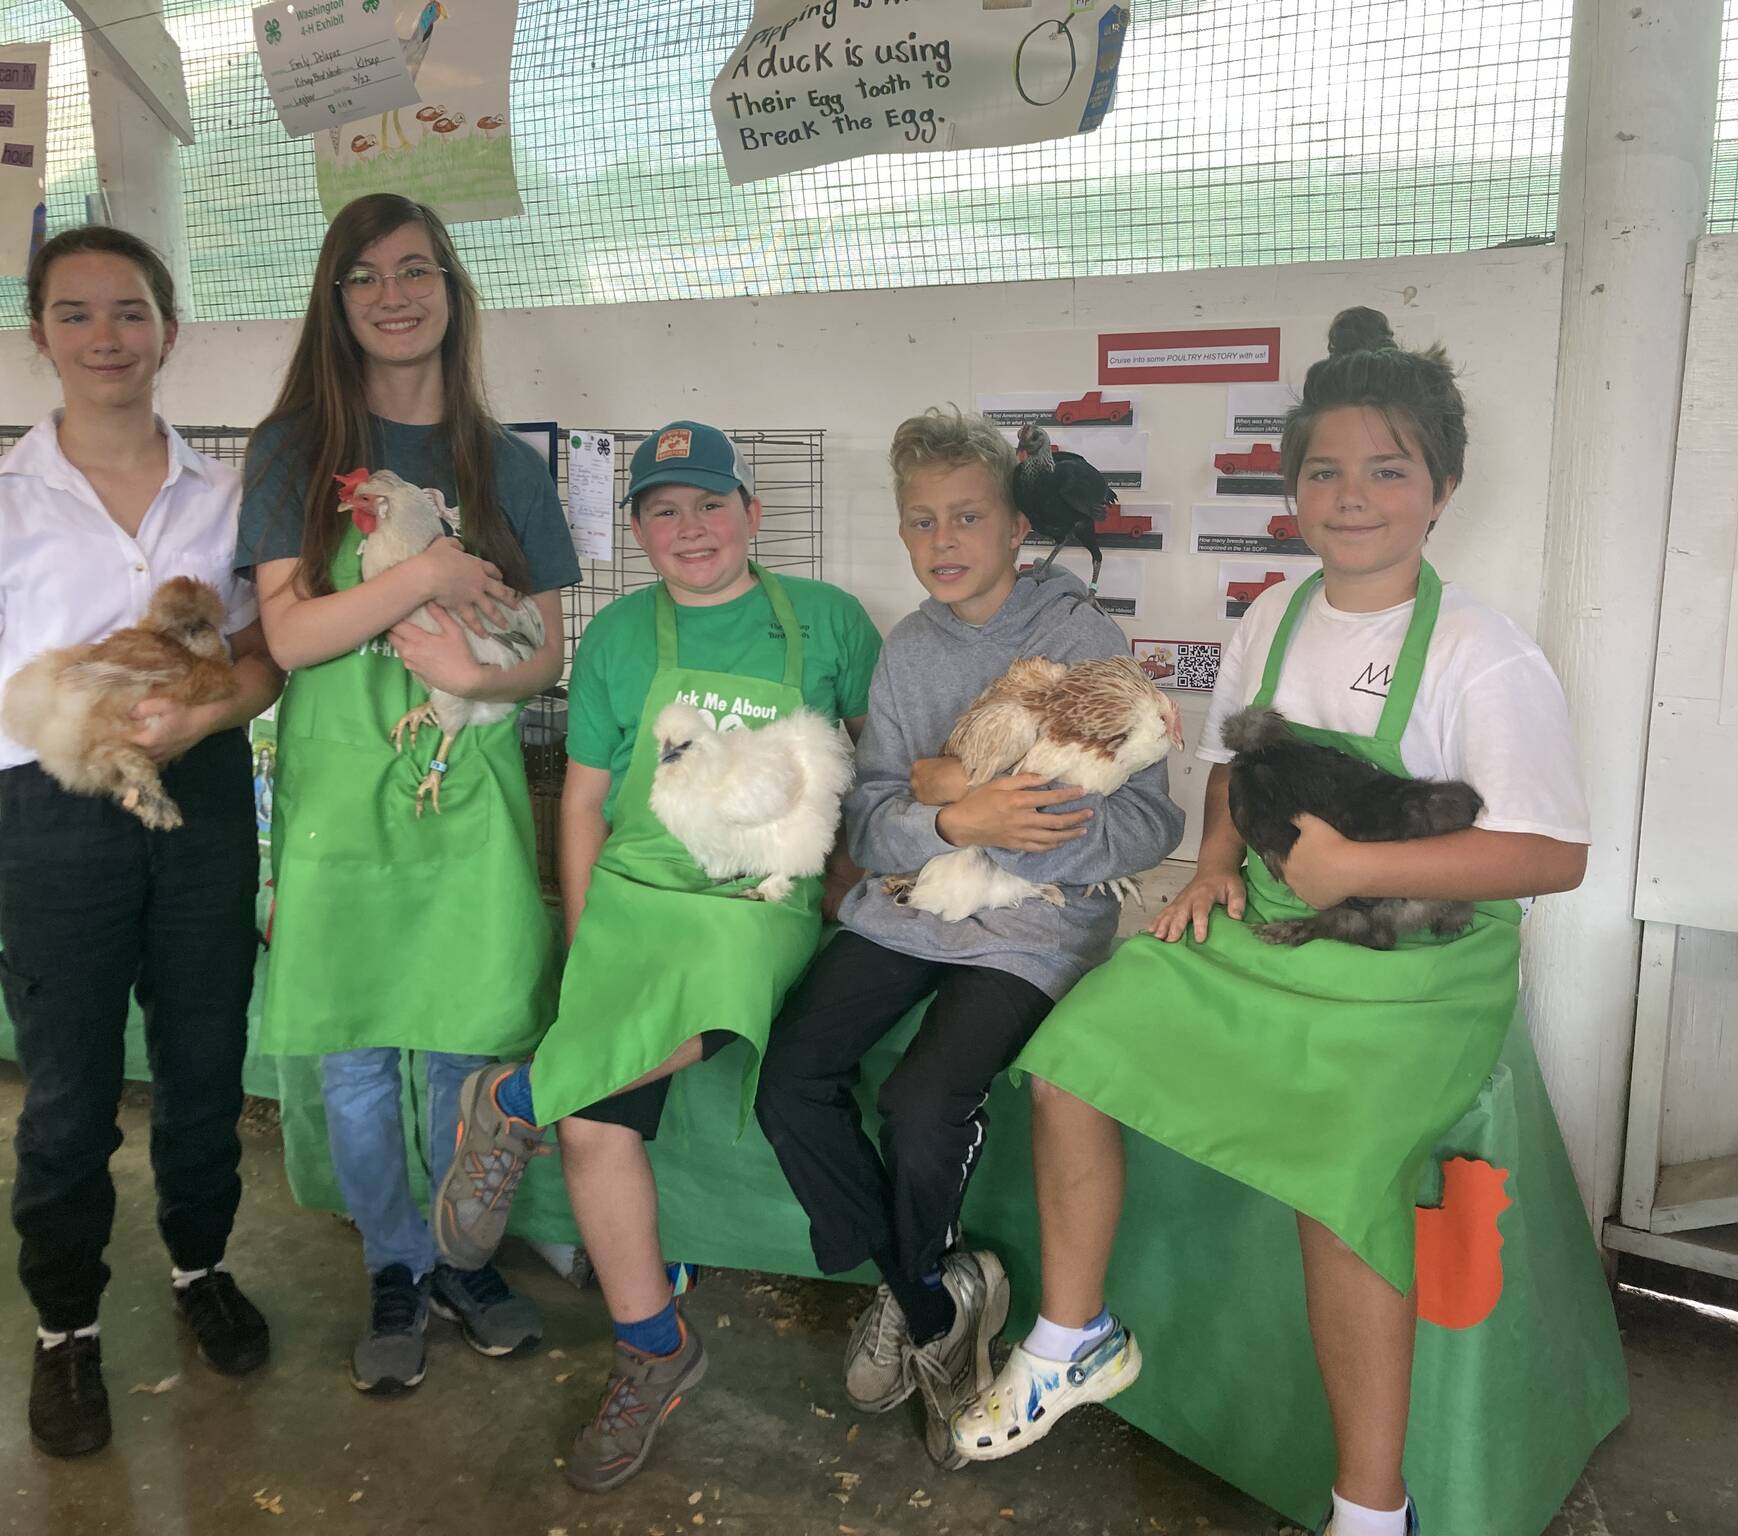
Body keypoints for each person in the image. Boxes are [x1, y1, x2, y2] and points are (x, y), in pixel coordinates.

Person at [951, 309, 1592, 1536]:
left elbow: (1548, 855)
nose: (1352, 498)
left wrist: (1363, 863)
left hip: (1418, 965)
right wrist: (1211, 866)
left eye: (1386, 471)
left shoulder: (1479, 653)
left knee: (1337, 1176)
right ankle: (1072, 1338)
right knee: (1073, 1056)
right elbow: (1233, 773)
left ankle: (1369, 1509)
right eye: (1324, 472)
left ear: (1441, 488)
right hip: (1277, 930)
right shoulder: (1273, 619)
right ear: (1292, 487)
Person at [430, 422, 881, 1490]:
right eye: (664, 510)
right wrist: (587, 938)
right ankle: (652, 1349)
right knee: (596, 1123)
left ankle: (517, 1098)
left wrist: (850, 896)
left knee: (721, 994)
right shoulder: (621, 636)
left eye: (710, 504)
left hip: (757, 894)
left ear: (750, 514)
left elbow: (870, 770)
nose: (691, 528)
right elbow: (584, 799)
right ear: (635, 530)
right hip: (637, 891)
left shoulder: (825, 621)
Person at [0, 225, 284, 1459]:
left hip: (202, 800)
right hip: (62, 817)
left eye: (129, 312)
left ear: (167, 330)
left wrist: (197, 717)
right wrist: (94, 722)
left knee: (202, 1056)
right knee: (69, 1086)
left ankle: (199, 1265)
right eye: (76, 315)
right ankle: (65, 1325)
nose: (106, 337)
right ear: (39, 333)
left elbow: (263, 658)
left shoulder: (227, 498)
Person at [752, 407, 1184, 1467]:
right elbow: (870, 815)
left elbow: (1152, 818)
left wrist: (1017, 835)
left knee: (920, 1099)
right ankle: (935, 1300)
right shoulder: (907, 648)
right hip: (912, 899)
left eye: (965, 517)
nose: (942, 541)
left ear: (1010, 526)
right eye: (920, 522)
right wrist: (953, 819)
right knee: (789, 1080)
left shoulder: (1078, 634)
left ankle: (919, 1299)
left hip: (1033, 929)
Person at [236, 194, 579, 1394]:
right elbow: (286, 635)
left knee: (457, 1047)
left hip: (462, 789)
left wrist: (475, 664)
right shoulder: (293, 451)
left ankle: (457, 1256)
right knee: (354, 1057)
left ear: (450, 289)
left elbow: (542, 653)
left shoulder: (508, 466)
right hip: (341, 798)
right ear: (335, 302)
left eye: (417, 269)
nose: (395, 293)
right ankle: (392, 1260)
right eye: (366, 275)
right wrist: (424, 578)